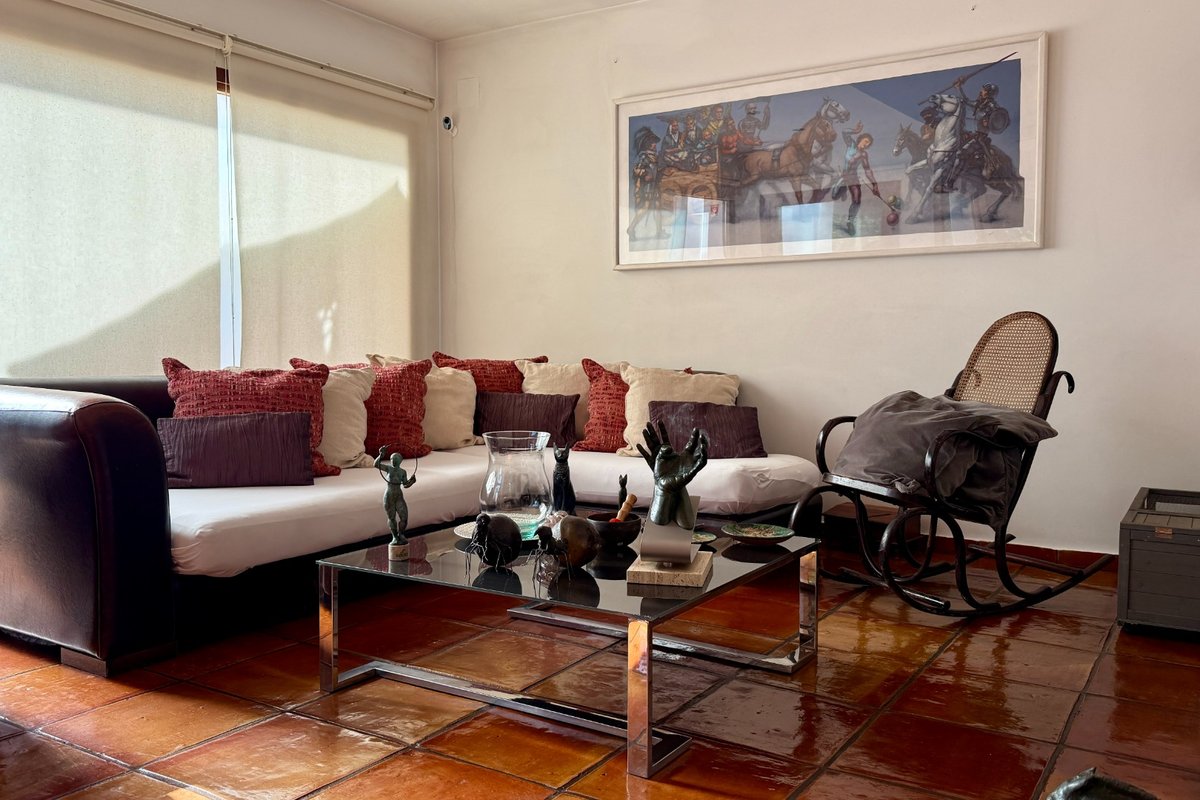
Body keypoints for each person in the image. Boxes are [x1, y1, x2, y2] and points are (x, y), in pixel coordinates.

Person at [830, 122, 881, 235]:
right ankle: (842, 191)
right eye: (866, 141)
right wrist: (856, 131)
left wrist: (875, 184)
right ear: (860, 139)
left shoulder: (864, 155)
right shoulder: (851, 145)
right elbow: (844, 132)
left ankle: (850, 221)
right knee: (834, 196)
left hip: (853, 178)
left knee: (857, 200)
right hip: (844, 176)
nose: (866, 144)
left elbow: (867, 170)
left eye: (868, 144)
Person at [375, 445, 417, 544]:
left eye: (395, 459)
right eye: (391, 459)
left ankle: (401, 534)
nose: (393, 461)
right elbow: (376, 464)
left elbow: (405, 484)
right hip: (389, 496)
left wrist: (411, 482)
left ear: (400, 461)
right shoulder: (388, 468)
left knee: (404, 517)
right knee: (391, 517)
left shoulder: (402, 472)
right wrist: (381, 455)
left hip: (399, 496)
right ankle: (394, 537)